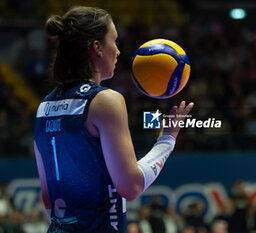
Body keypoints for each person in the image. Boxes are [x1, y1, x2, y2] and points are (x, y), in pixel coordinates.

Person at [32, 6, 194, 233]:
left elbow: (48, 198)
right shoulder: (105, 101)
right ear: (97, 47)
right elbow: (132, 186)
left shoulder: (44, 107)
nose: (118, 51)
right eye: (114, 41)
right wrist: (167, 140)